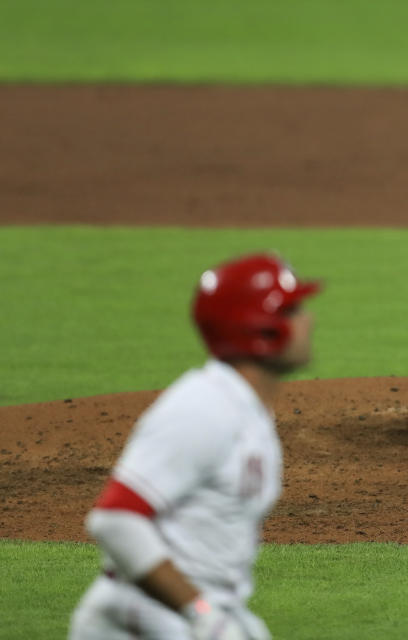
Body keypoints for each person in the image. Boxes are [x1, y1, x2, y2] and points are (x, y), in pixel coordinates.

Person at [69, 253, 321, 640]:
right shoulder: (203, 408)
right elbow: (114, 520)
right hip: (139, 620)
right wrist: (202, 613)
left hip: (192, 614)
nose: (309, 320)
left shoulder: (249, 411)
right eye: (293, 310)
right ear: (263, 330)